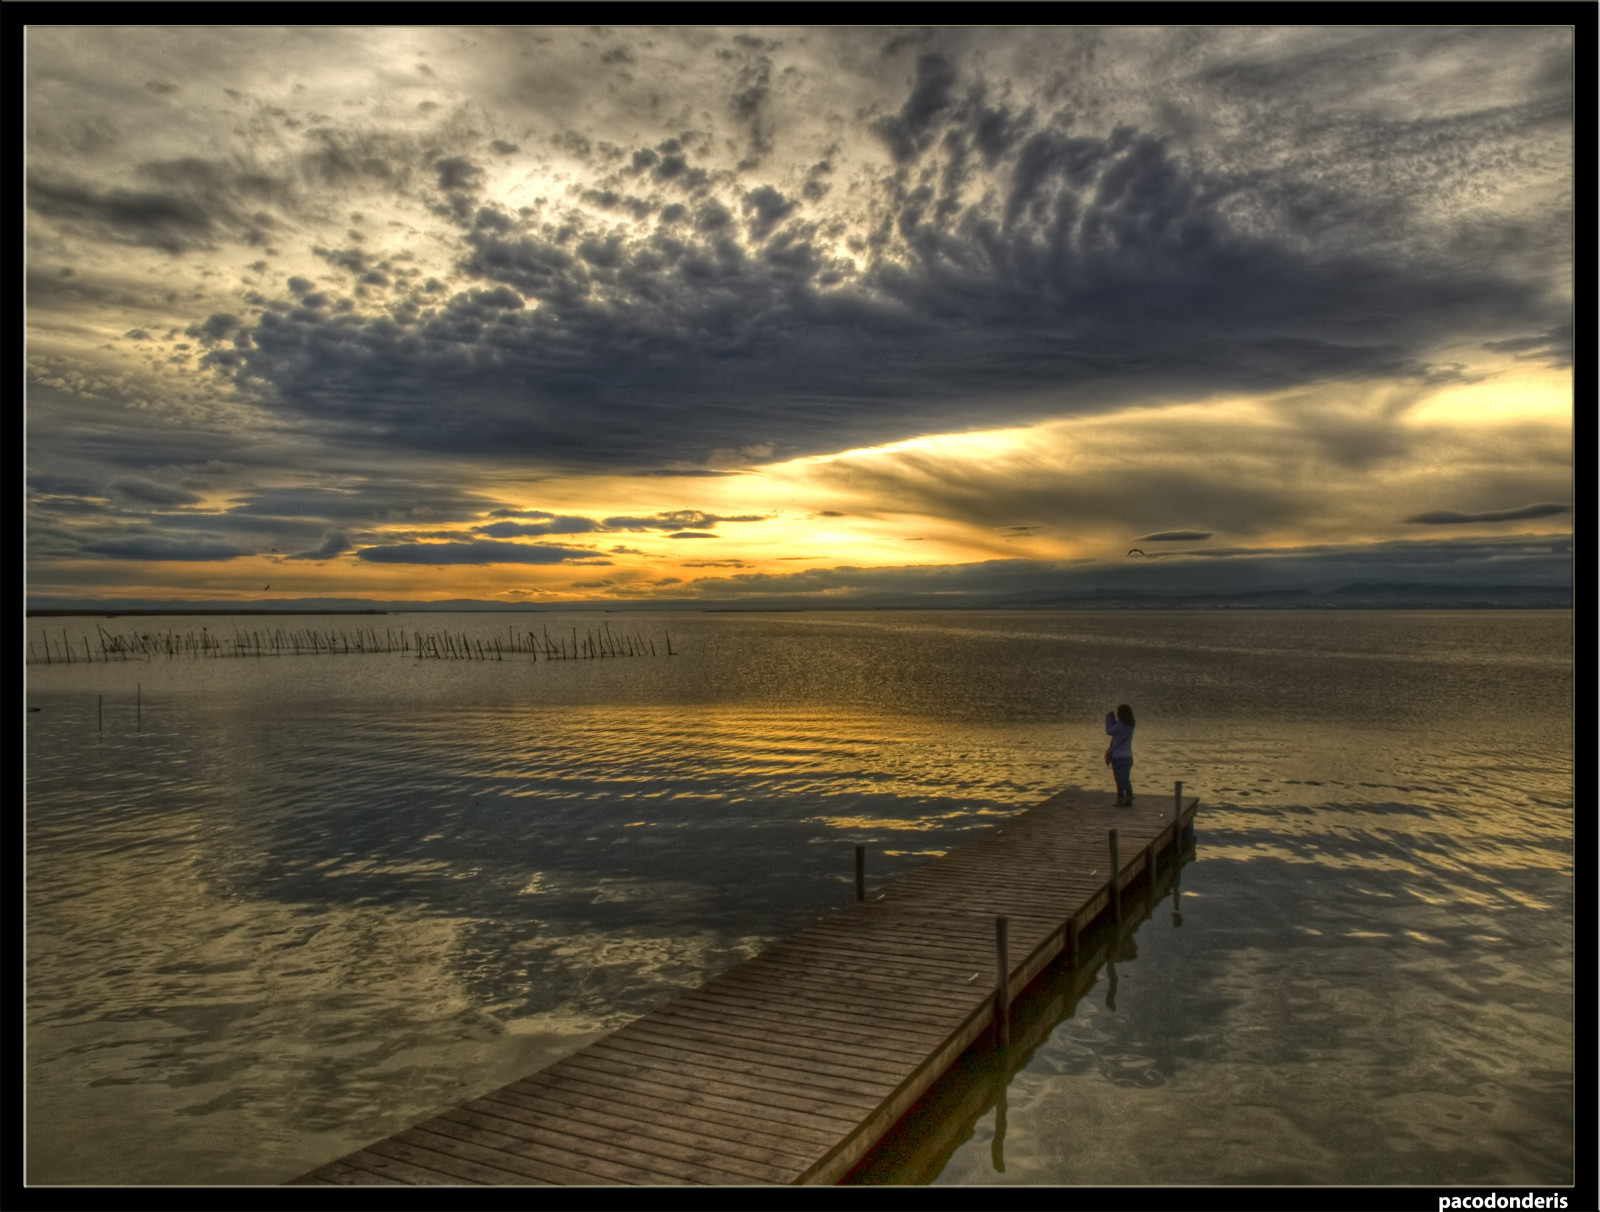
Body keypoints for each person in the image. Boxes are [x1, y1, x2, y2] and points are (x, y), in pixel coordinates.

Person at [1104, 704, 1136, 805]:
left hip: (1118, 757)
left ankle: (1126, 796)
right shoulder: (1130, 725)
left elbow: (1109, 731)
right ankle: (1127, 800)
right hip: (1128, 756)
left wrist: (1109, 718)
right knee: (1125, 778)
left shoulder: (1120, 726)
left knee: (1119, 779)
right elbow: (1115, 729)